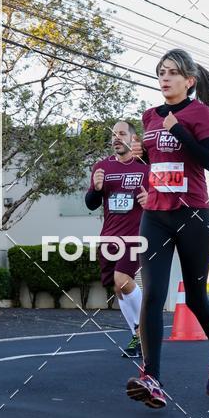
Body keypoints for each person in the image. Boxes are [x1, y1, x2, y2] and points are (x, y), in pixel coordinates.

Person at [126, 49, 209, 409]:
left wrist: (179, 131)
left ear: (189, 81)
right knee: (153, 296)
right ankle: (152, 378)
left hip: (193, 215)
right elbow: (159, 161)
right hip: (155, 215)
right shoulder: (149, 116)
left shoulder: (199, 113)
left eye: (172, 72)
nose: (165, 77)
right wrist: (143, 155)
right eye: (161, 72)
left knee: (195, 298)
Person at [85, 120, 149, 357]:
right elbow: (91, 204)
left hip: (137, 235)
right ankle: (137, 337)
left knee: (122, 280)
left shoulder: (146, 167)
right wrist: (96, 189)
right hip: (109, 237)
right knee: (118, 287)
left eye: (121, 133)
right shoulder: (102, 166)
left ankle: (145, 331)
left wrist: (151, 201)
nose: (116, 138)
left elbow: (165, 199)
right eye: (113, 134)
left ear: (133, 138)